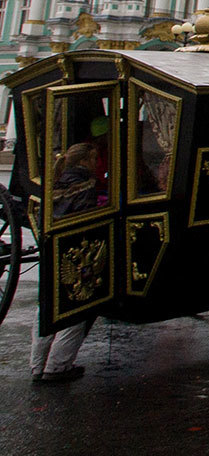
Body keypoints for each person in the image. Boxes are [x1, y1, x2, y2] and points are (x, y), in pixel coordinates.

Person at [32, 143, 101, 382]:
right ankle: (58, 366)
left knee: (46, 307)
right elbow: (86, 215)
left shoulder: (55, 182)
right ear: (85, 161)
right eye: (94, 159)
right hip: (75, 250)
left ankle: (37, 365)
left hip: (52, 250)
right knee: (75, 311)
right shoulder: (85, 184)